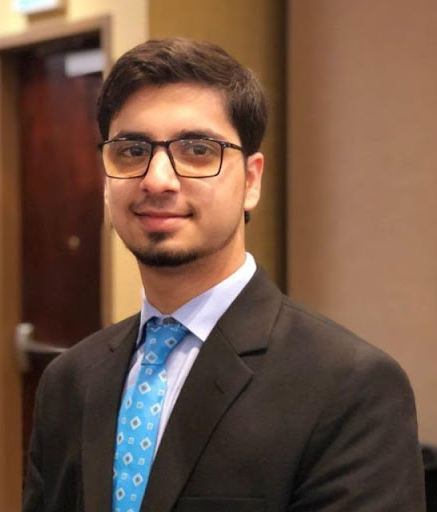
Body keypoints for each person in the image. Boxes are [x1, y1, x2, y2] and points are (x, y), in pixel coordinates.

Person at [22, 38, 425, 512]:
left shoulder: (349, 388)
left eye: (197, 149)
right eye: (131, 150)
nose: (157, 180)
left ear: (251, 181)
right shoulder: (68, 382)